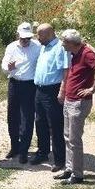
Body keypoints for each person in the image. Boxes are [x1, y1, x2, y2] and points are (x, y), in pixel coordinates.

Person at [57, 29, 95, 185]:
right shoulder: (74, 53)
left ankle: (78, 175)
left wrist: (92, 89)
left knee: (74, 139)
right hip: (69, 100)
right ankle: (69, 168)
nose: (62, 44)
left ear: (71, 43)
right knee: (67, 136)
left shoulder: (86, 53)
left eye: (64, 41)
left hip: (79, 102)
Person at [1, 22, 41, 161]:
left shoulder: (37, 47)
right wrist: (9, 67)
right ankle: (14, 146)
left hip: (30, 85)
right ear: (18, 35)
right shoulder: (11, 47)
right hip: (14, 83)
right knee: (12, 117)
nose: (25, 41)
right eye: (23, 38)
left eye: (28, 38)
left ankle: (24, 150)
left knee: (27, 118)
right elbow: (4, 66)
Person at [32, 24, 69, 169]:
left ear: (48, 34)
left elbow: (66, 71)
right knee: (40, 122)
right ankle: (43, 152)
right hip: (40, 90)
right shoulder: (44, 47)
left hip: (53, 90)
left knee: (55, 125)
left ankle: (60, 160)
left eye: (39, 35)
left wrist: (62, 91)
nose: (37, 38)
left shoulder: (60, 47)